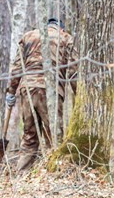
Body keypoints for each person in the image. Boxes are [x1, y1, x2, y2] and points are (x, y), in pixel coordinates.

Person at [4, 17, 77, 172]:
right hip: (50, 90)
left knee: (29, 137)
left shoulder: (28, 36)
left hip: (28, 89)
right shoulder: (66, 38)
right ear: (61, 28)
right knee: (54, 138)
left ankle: (21, 174)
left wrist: (11, 91)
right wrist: (78, 96)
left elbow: (17, 67)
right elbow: (73, 71)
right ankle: (53, 174)